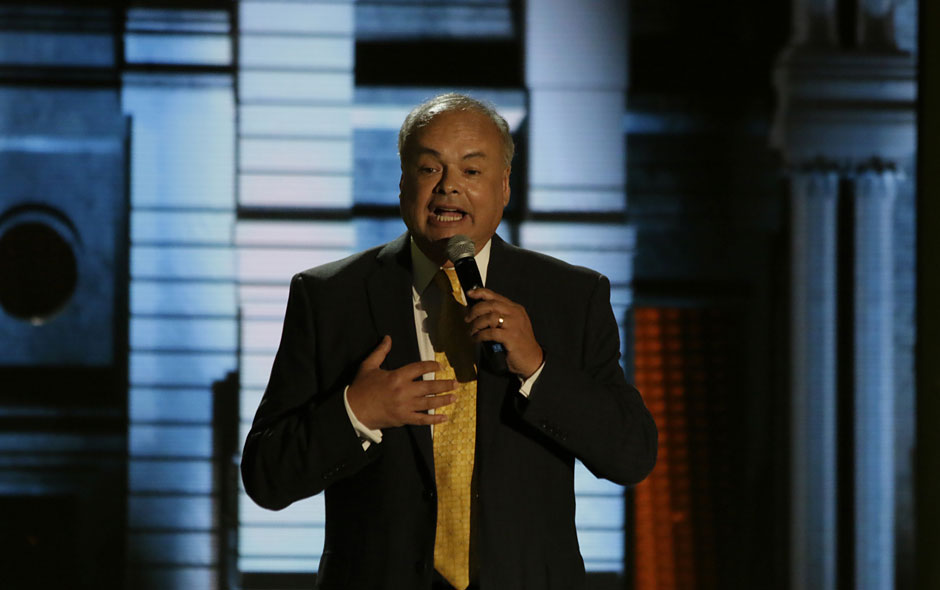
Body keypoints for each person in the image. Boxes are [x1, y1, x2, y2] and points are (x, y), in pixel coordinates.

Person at [241, 93, 657, 590]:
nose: (448, 187)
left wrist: (537, 367)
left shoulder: (570, 296)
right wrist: (358, 411)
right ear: (403, 184)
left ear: (505, 186)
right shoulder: (330, 297)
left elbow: (631, 455)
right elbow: (266, 476)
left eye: (472, 171)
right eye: (429, 169)